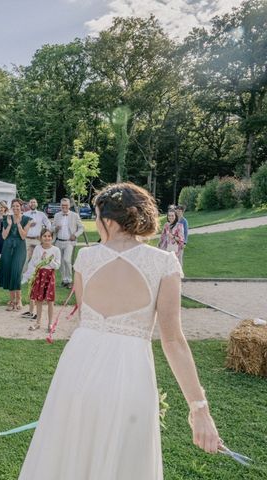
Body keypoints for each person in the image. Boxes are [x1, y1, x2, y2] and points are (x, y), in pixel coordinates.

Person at [19, 183, 221, 479]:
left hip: (78, 367)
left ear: (109, 221)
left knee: (70, 451)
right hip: (129, 370)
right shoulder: (164, 263)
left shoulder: (85, 258)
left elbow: (85, 315)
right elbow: (173, 340)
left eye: (98, 217)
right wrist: (198, 408)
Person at [22, 230, 61, 331]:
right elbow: (34, 262)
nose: (47, 238)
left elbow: (57, 266)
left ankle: (50, 324)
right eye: (44, 236)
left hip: (49, 276)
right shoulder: (38, 248)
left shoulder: (56, 250)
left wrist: (49, 260)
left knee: (50, 301)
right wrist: (42, 259)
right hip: (40, 276)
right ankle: (38, 323)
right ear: (41, 237)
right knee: (39, 300)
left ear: (52, 237)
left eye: (49, 236)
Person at [0, 199, 30, 311]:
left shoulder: (27, 219)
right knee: (8, 272)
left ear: (21, 207)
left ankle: (19, 299)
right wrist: (9, 225)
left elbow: (23, 236)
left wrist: (18, 224)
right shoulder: (7, 218)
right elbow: (4, 236)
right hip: (7, 247)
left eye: (18, 206)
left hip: (20, 248)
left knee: (16, 272)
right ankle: (12, 300)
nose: (15, 208)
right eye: (13, 206)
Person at [51, 198, 84, 288]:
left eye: (66, 205)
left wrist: (75, 235)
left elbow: (81, 228)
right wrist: (55, 228)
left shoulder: (75, 215)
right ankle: (64, 280)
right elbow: (52, 227)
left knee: (67, 260)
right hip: (58, 241)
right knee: (60, 262)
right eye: (62, 205)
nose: (64, 207)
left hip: (69, 242)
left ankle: (69, 280)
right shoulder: (57, 215)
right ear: (60, 206)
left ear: (69, 206)